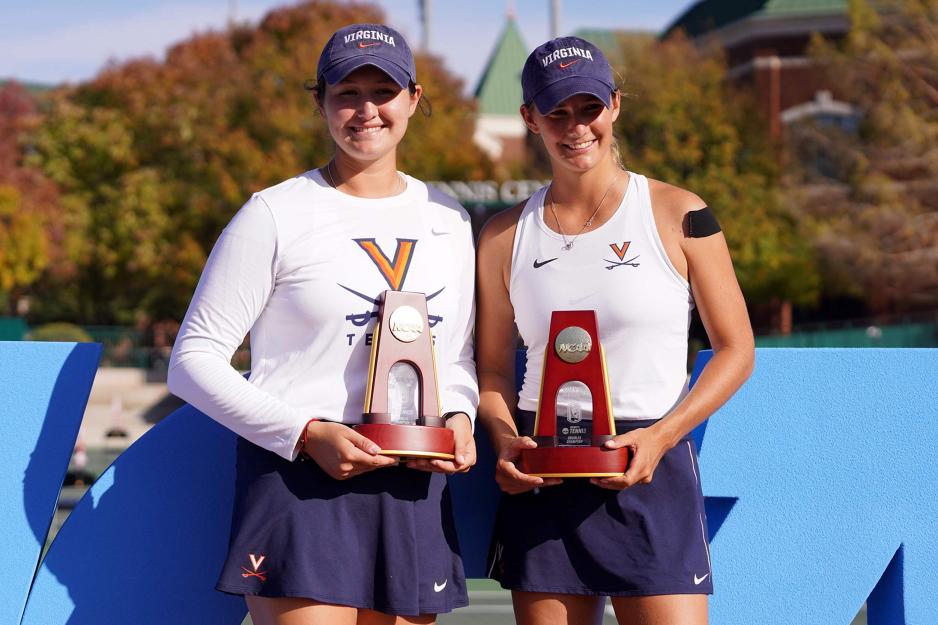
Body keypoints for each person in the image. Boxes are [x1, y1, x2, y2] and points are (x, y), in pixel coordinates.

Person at [168, 23, 478, 625]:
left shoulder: (448, 216)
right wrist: (306, 434)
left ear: (414, 99)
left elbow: (456, 357)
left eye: (383, 91)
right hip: (302, 480)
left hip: (413, 482)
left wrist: (460, 419)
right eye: (346, 93)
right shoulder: (274, 213)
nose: (366, 110)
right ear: (320, 103)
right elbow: (192, 362)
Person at [476, 36, 755, 625]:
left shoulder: (680, 213)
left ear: (615, 106)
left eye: (589, 108)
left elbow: (736, 349)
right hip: (544, 469)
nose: (576, 127)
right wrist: (504, 441)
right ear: (529, 118)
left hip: (648, 463)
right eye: (557, 112)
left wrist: (661, 438)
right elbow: (495, 368)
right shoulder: (502, 236)